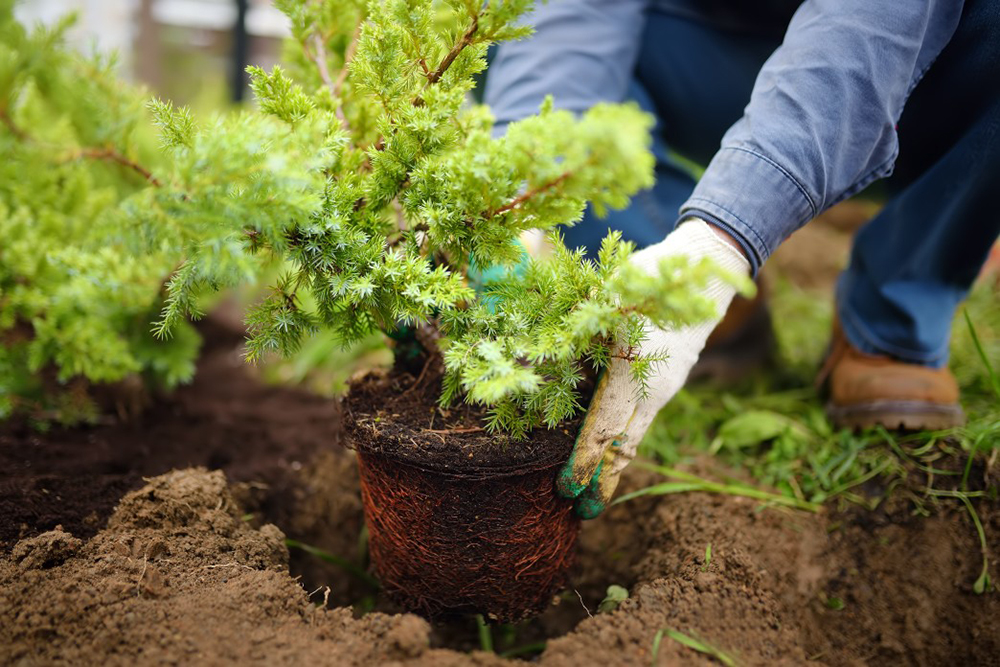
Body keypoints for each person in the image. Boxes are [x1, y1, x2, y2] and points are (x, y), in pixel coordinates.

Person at [483, 0, 1000, 519]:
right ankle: (662, 269)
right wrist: (521, 180)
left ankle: (894, 312)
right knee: (495, 27)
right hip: (718, 43)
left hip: (917, 66)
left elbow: (870, 26)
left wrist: (724, 240)